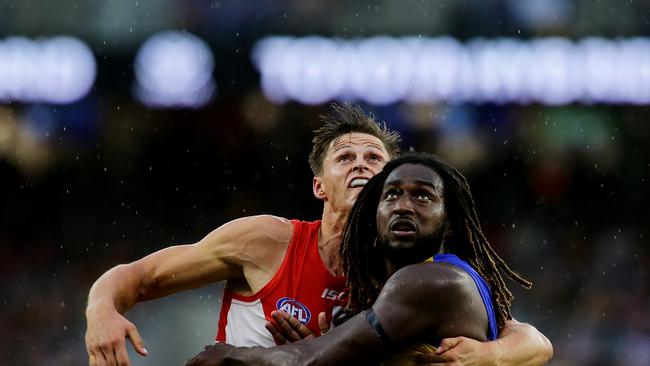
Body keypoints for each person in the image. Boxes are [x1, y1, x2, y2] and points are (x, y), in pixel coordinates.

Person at [85, 104, 551, 366]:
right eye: (346, 159)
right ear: (319, 185)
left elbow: (532, 339)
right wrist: (102, 309)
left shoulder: (409, 270)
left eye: (375, 161)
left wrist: (496, 354)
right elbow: (140, 275)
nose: (362, 167)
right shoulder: (265, 241)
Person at [185, 152, 552, 365]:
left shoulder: (433, 282)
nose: (404, 206)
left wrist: (230, 356)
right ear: (371, 212)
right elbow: (533, 339)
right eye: (392, 195)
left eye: (423, 196)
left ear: (450, 221)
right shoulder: (391, 281)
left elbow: (310, 361)